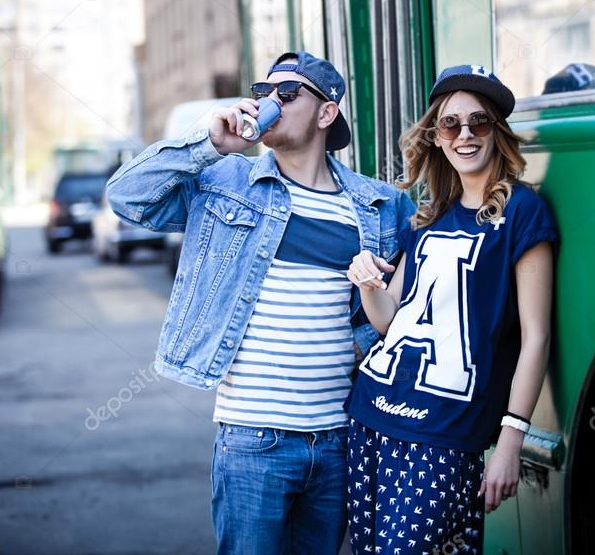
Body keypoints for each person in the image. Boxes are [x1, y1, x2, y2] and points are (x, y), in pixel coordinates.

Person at [105, 51, 415, 554]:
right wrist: (208, 144)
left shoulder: (378, 206)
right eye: (261, 91)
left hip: (338, 439)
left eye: (287, 94)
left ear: (326, 113)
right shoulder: (224, 182)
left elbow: (402, 315)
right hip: (253, 440)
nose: (269, 101)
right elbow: (126, 197)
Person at [343, 65, 557, 554]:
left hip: (446, 437)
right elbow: (387, 319)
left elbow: (536, 338)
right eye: (450, 124)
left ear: (496, 132)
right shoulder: (429, 217)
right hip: (371, 417)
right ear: (436, 138)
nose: (465, 134)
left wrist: (510, 443)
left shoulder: (522, 213)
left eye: (478, 122)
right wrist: (368, 281)